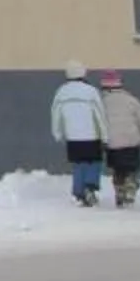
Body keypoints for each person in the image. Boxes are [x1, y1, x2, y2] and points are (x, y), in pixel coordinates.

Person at [49, 61, 106, 206]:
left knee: (78, 164)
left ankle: (79, 192)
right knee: (93, 161)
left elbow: (56, 114)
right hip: (91, 134)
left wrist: (58, 133)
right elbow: (100, 114)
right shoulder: (91, 91)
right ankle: (90, 186)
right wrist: (105, 135)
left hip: (72, 136)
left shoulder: (61, 92)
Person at [99, 69, 140, 208]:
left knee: (118, 170)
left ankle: (120, 190)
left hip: (112, 144)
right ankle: (131, 184)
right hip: (131, 143)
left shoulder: (101, 103)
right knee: (132, 168)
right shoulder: (131, 100)